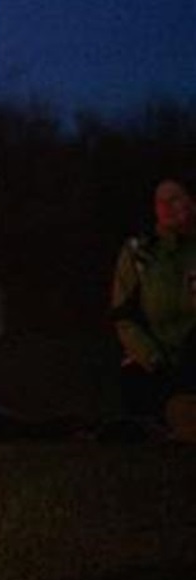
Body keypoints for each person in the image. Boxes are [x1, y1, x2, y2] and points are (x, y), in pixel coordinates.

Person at [107, 178, 196, 440]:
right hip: (156, 357)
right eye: (161, 201)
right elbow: (123, 317)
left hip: (192, 350)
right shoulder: (140, 253)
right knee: (138, 388)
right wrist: (153, 358)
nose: (168, 206)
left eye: (176, 198)